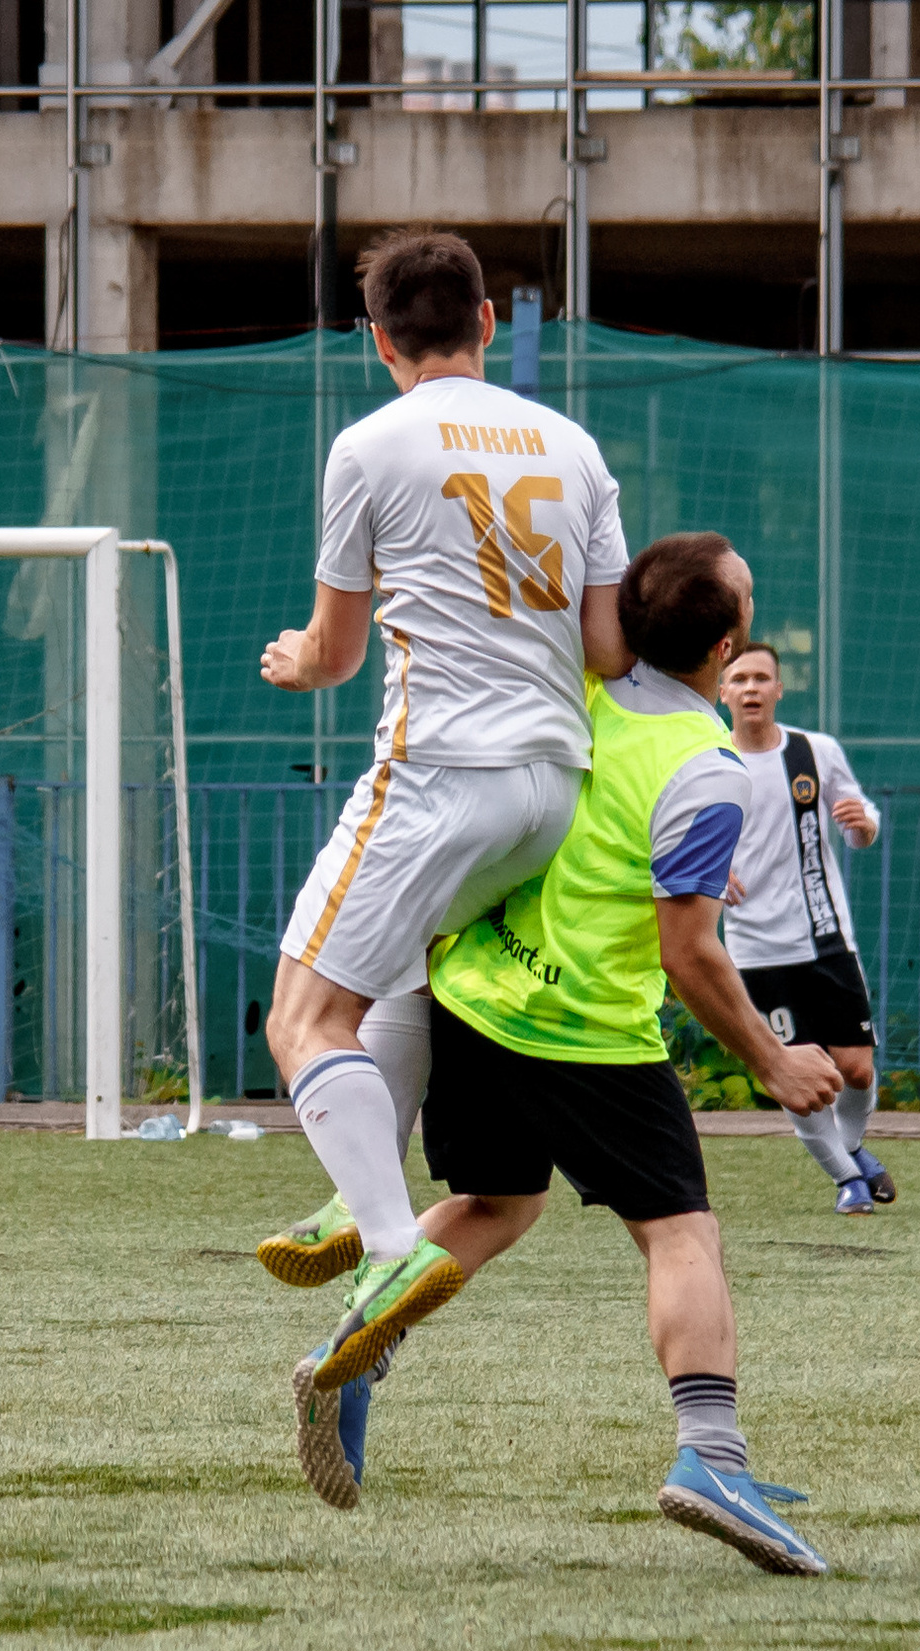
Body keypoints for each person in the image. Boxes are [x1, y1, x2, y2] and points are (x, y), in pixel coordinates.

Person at [296, 532, 844, 1573]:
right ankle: (711, 1456)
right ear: (728, 648)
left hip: (471, 990)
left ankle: (351, 1353)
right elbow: (688, 951)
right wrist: (773, 1062)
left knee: (501, 1200)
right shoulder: (706, 767)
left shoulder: (567, 699)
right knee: (681, 1233)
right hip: (586, 1031)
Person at [254, 226, 634, 1392]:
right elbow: (609, 650)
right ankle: (354, 1183)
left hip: (438, 774)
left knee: (304, 1017)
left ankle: (383, 1248)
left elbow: (336, 647)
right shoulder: (573, 446)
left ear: (377, 341)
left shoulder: (368, 445)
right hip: (552, 786)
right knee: (410, 961)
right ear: (484, 320)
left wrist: (293, 660)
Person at [714, 641, 890, 1214]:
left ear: (779, 689)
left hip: (825, 937)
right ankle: (848, 1178)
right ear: (722, 692)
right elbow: (671, 838)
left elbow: (859, 825)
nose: (751, 689)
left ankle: (853, 1146)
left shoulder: (816, 752)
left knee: (856, 1068)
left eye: (762, 678)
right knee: (795, 1073)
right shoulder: (708, 760)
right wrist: (713, 876)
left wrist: (863, 824)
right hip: (757, 948)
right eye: (739, 679)